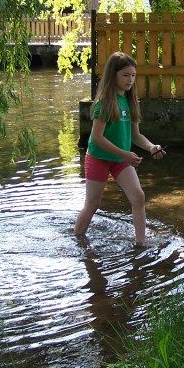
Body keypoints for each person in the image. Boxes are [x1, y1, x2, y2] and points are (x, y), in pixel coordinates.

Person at [74, 51, 165, 244]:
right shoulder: (105, 103)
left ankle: (140, 243)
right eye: (125, 75)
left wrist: (151, 147)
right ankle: (78, 238)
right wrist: (125, 154)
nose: (130, 79)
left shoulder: (131, 102)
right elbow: (96, 138)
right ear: (113, 75)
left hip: (120, 160)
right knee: (93, 204)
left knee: (138, 197)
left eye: (133, 75)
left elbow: (135, 135)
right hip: (98, 157)